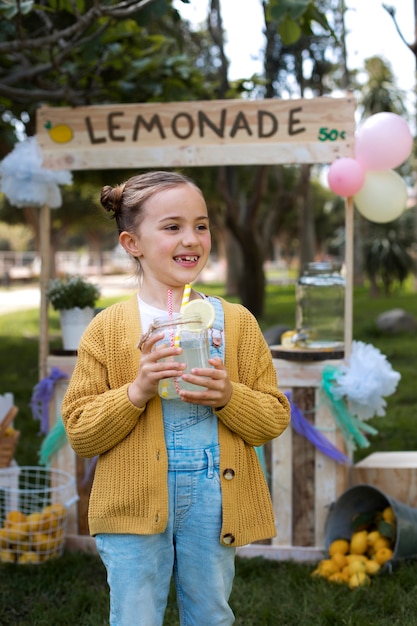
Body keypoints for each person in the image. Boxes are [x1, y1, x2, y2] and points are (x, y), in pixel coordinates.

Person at [61, 170, 290, 626]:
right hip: (131, 505)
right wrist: (136, 391)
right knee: (135, 614)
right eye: (172, 227)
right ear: (132, 244)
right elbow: (80, 432)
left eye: (201, 225)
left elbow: (272, 418)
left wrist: (229, 396)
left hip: (213, 502)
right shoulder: (107, 330)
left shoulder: (237, 323)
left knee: (210, 612)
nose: (192, 238)